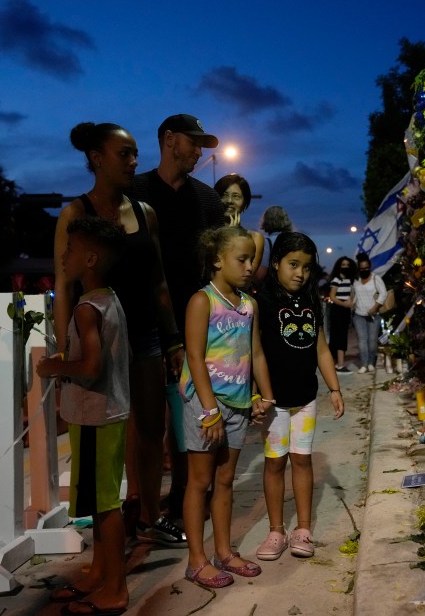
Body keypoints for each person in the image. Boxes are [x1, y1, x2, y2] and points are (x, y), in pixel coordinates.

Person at [54, 122, 185, 548]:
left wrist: (173, 340)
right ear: (96, 157)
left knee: (150, 429)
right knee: (105, 433)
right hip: (99, 338)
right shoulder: (76, 214)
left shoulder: (145, 212)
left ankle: (147, 516)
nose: (134, 161)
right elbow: (64, 288)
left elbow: (159, 282)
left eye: (134, 153)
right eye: (123, 153)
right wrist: (65, 353)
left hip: (144, 334)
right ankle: (110, 523)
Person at [128, 114, 227, 534]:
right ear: (169, 140)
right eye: (194, 143)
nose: (200, 152)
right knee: (147, 423)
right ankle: (143, 508)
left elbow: (218, 262)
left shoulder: (207, 200)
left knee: (191, 416)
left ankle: (184, 502)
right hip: (142, 323)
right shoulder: (133, 192)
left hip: (196, 322)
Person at [37, 216, 130, 616]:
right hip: (107, 413)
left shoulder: (86, 308)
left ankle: (116, 589)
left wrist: (54, 368)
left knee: (106, 506)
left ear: (90, 258)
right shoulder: (109, 298)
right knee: (98, 502)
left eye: (72, 250)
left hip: (95, 417)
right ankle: (99, 574)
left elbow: (90, 367)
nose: (64, 255)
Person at [180, 225, 276, 588]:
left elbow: (256, 353)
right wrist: (209, 411)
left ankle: (224, 552)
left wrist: (264, 395)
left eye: (252, 259)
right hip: (208, 406)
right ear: (218, 260)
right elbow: (194, 355)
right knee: (200, 482)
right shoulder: (202, 301)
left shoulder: (248, 304)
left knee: (225, 480)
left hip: (236, 405)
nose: (250, 266)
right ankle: (196, 560)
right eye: (242, 259)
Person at [254, 232, 346, 562]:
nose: (300, 273)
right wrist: (257, 395)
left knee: (302, 460)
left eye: (306, 267)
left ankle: (303, 529)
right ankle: (276, 530)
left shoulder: (311, 301)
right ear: (275, 263)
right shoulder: (261, 302)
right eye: (293, 264)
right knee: (275, 463)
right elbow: (255, 352)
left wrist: (334, 388)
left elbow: (321, 349)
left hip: (305, 399)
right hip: (274, 401)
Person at [214, 173, 265, 275]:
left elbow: (246, 276)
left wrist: (233, 236)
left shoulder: (255, 239)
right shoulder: (207, 234)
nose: (229, 201)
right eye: (224, 195)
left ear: (245, 204)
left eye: (236, 196)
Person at [351, 252, 387, 374]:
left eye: (367, 268)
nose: (364, 270)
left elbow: (383, 293)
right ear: (359, 268)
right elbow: (355, 295)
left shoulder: (376, 278)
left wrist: (375, 307)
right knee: (362, 340)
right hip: (359, 315)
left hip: (373, 315)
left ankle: (371, 361)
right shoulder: (356, 280)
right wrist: (352, 302)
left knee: (372, 341)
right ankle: (364, 364)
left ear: (370, 267)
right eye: (362, 268)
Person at [325, 256, 357, 373]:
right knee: (338, 337)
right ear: (339, 266)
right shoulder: (336, 279)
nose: (345, 267)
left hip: (345, 311)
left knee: (342, 336)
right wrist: (345, 304)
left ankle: (338, 364)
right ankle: (339, 365)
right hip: (337, 310)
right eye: (343, 265)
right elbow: (332, 297)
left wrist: (351, 303)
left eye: (347, 265)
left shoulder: (349, 280)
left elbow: (351, 295)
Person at [252, 205, 293, 285]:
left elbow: (260, 275)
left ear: (266, 221)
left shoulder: (267, 243)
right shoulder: (293, 241)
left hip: (273, 290)